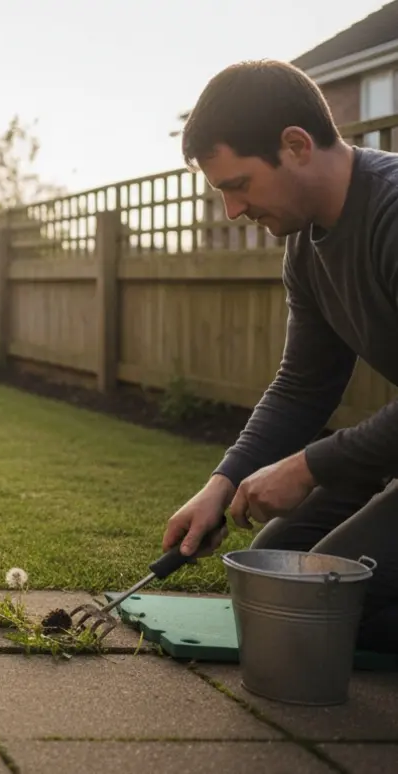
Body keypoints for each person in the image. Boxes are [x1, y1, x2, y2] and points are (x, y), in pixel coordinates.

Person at [162, 59, 398, 653]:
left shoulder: (392, 213)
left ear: (296, 145)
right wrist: (222, 484)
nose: (232, 210)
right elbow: (302, 387)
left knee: (321, 607)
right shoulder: (304, 248)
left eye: (238, 184)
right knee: (272, 568)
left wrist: (309, 466)